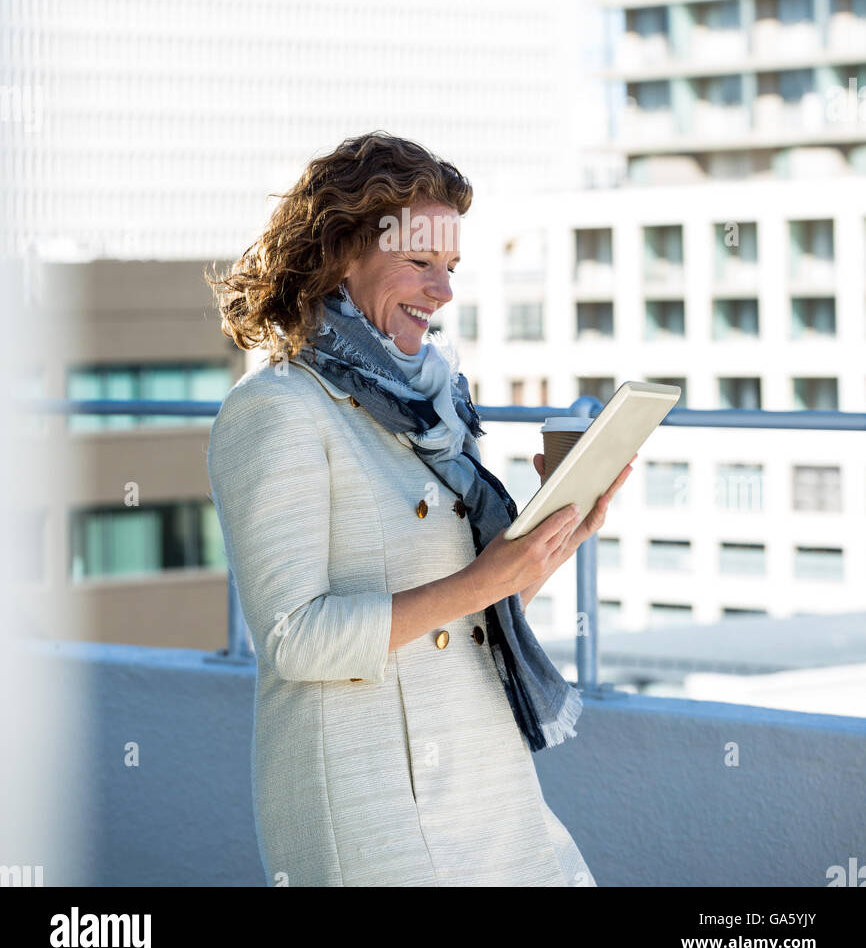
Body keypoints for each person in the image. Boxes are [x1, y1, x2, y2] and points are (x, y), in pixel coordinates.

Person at [204, 130, 633, 887]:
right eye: (420, 263)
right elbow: (293, 640)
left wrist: (549, 538)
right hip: (380, 808)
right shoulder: (277, 410)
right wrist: (484, 579)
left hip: (488, 783)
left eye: (452, 268)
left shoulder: (427, 411)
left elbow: (462, 620)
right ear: (342, 253)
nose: (443, 293)